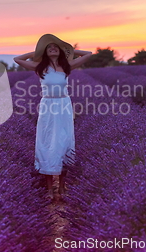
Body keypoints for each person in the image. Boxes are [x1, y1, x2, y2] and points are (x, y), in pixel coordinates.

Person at [13, 34, 92, 200]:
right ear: (45, 52)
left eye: (55, 47)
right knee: (47, 143)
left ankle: (62, 188)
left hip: (63, 106)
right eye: (49, 47)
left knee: (64, 142)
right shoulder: (39, 67)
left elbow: (88, 54)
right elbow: (17, 59)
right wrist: (35, 53)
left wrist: (68, 50)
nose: (53, 49)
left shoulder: (67, 65)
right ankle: (50, 189)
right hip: (48, 106)